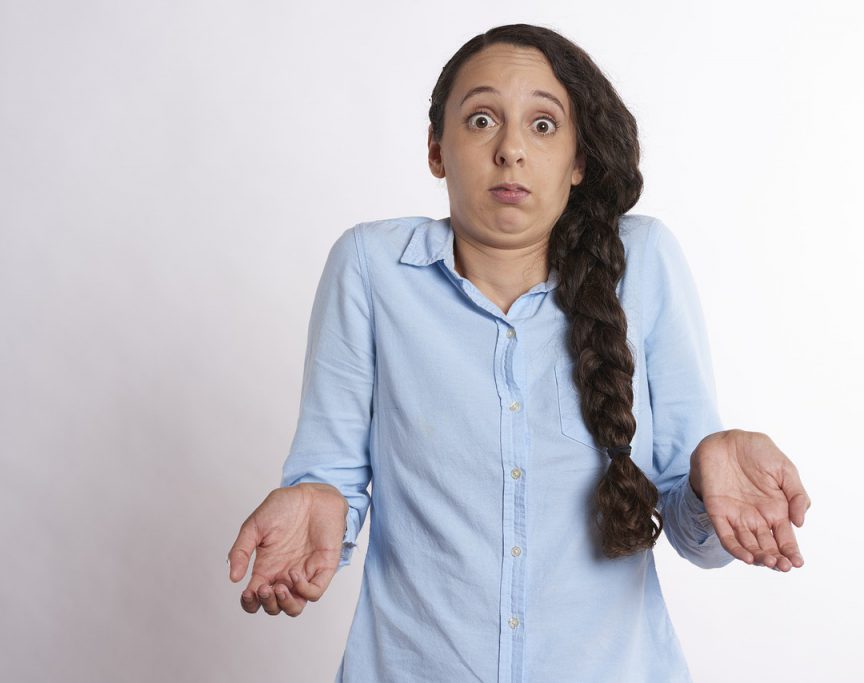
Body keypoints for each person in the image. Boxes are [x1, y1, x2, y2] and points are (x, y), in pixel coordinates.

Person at [228, 23, 811, 683]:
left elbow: (690, 532)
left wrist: (707, 476)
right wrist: (315, 497)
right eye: (480, 120)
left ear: (579, 158)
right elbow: (329, 476)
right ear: (436, 149)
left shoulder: (642, 261)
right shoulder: (370, 268)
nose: (510, 150)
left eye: (542, 125)